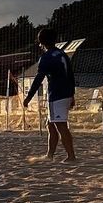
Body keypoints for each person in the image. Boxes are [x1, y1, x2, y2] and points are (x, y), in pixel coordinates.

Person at [23, 27, 76, 162]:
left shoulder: (46, 58)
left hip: (57, 95)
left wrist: (29, 97)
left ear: (41, 42)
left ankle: (71, 156)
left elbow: (38, 79)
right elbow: (70, 75)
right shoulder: (62, 54)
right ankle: (50, 155)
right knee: (51, 125)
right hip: (66, 93)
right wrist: (72, 94)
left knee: (60, 125)